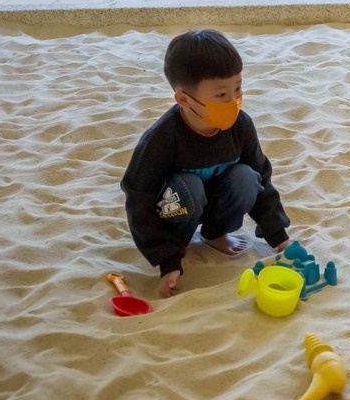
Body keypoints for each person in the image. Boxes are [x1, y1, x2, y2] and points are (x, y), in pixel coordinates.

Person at [121, 30, 292, 298]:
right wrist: (167, 258)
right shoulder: (162, 138)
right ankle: (180, 242)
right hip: (177, 205)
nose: (233, 101)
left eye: (238, 88)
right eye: (221, 94)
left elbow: (262, 178)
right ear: (183, 99)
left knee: (246, 177)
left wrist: (278, 237)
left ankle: (214, 234)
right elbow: (138, 196)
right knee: (188, 186)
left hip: (217, 201)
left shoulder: (241, 125)